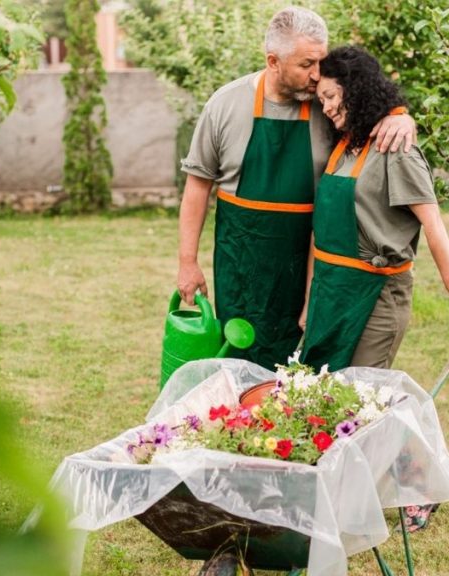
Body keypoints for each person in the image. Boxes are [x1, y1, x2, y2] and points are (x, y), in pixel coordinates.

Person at [177, 7, 417, 371]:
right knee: (237, 362)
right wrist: (187, 262)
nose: (317, 74)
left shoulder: (329, 106)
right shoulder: (226, 105)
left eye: (321, 61)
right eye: (306, 64)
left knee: (306, 371)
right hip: (243, 264)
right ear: (273, 61)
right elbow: (197, 186)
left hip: (310, 265)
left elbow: (375, 108)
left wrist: (400, 116)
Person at [300, 45, 449, 373]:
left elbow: (433, 223)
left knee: (361, 402)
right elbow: (319, 233)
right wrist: (310, 300)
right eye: (321, 100)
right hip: (329, 293)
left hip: (374, 298)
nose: (327, 107)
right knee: (323, 400)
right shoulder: (345, 146)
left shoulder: (397, 150)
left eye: (332, 96)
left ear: (357, 89)